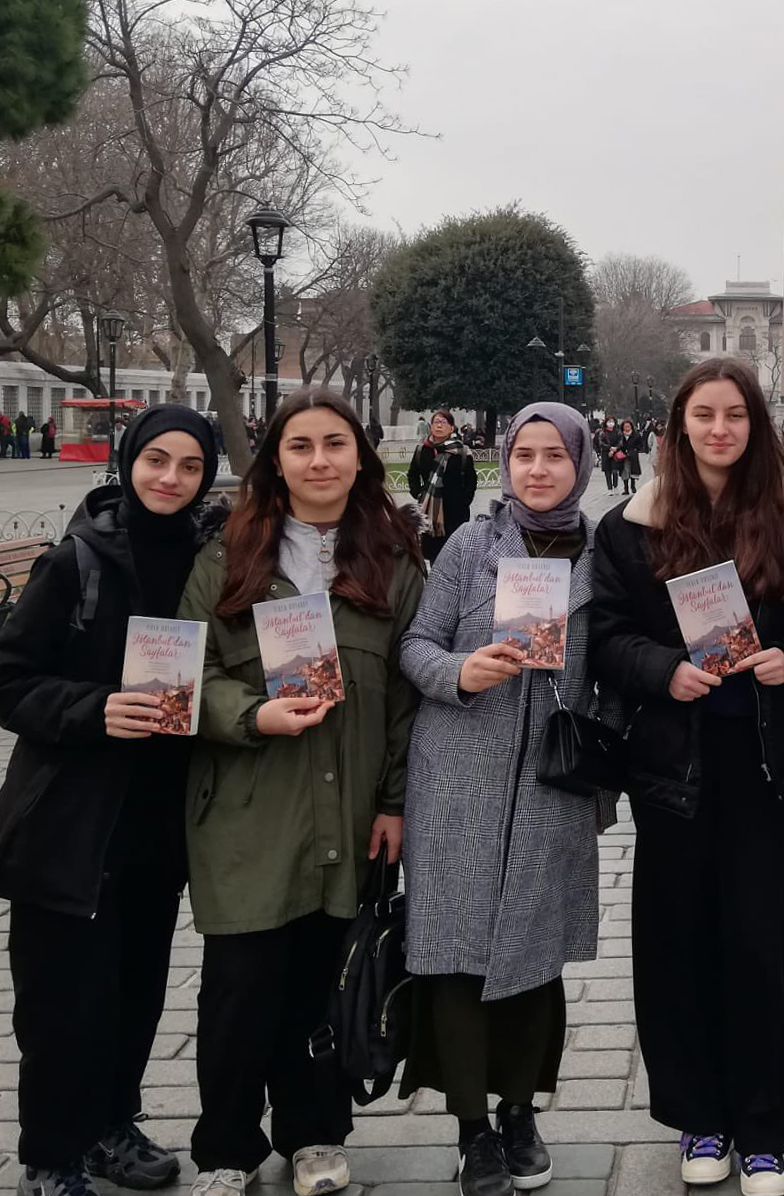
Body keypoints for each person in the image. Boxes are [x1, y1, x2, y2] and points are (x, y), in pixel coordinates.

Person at [588, 359, 784, 1196]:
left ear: (755, 423)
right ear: (680, 424)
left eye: (735, 413)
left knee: (758, 941)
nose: (720, 428)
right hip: (671, 758)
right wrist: (663, 669)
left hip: (763, 757)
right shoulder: (631, 525)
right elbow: (606, 636)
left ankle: (764, 1127)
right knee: (677, 938)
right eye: (705, 414)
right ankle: (699, 1114)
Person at [177, 387, 424, 1196]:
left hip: (349, 813)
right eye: (300, 446)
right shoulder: (225, 559)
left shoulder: (392, 562)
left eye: (335, 444)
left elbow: (405, 699)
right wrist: (251, 713)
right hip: (249, 809)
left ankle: (315, 1130)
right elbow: (185, 676)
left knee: (326, 978)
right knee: (240, 989)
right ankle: (225, 1148)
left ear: (360, 458)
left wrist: (393, 802)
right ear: (275, 462)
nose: (320, 460)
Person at [0, 407, 220, 1196]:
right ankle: (50, 1155)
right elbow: (10, 677)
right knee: (62, 1001)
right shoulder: (77, 561)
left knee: (135, 988)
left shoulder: (207, 558)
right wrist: (92, 708)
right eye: (157, 459)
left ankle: (109, 1125)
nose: (170, 477)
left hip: (156, 822)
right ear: (129, 460)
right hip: (70, 823)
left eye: (190, 465)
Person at [400, 403, 617, 1196]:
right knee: (456, 953)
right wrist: (460, 671)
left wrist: (603, 768)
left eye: (554, 455)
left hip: (551, 780)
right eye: (524, 454)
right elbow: (415, 646)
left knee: (532, 947)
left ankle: (520, 1110)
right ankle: (472, 1128)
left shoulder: (603, 553)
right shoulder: (471, 544)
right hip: (457, 773)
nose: (537, 469)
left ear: (580, 463)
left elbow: (617, 669)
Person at [408, 411, 478, 565]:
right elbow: (413, 474)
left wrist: (464, 501)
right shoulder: (422, 450)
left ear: (451, 428)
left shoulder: (461, 452)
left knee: (455, 556)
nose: (439, 425)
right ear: (431, 426)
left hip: (455, 513)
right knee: (434, 557)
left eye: (443, 422)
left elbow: (471, 480)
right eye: (436, 422)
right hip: (430, 513)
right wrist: (418, 493)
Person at [597, 419, 621, 491]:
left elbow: (620, 442)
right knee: (607, 472)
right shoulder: (603, 433)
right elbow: (601, 443)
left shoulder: (617, 432)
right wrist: (609, 448)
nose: (611, 423)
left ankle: (615, 486)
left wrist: (615, 448)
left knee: (615, 471)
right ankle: (609, 488)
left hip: (615, 453)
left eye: (612, 421)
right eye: (609, 422)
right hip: (605, 453)